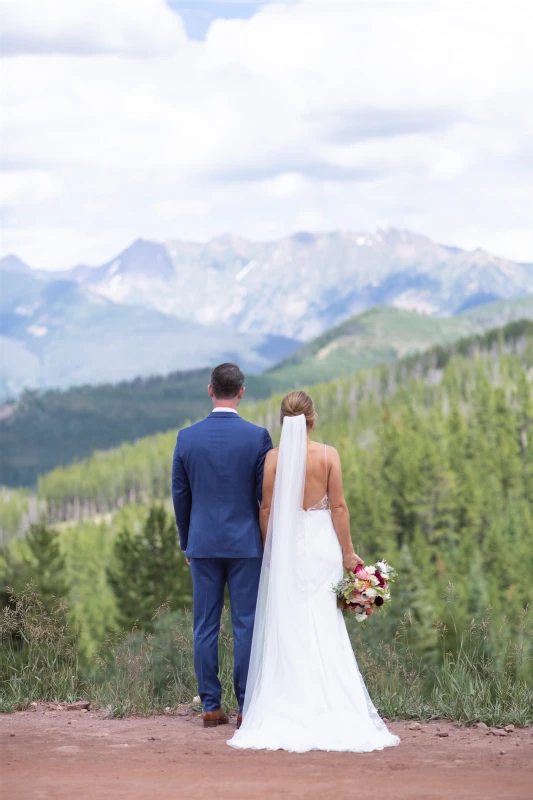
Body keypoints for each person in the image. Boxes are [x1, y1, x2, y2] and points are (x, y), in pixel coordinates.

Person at [228, 390, 400, 753]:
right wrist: (348, 552)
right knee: (323, 620)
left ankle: (288, 701)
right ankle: (332, 703)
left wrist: (271, 550)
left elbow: (267, 509)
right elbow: (338, 506)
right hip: (322, 546)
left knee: (289, 618)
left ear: (282, 422)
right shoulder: (327, 455)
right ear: (312, 419)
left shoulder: (274, 459)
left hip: (288, 546)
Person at [172, 362, 273, 728]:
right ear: (241, 391)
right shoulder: (258, 437)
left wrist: (188, 541)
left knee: (205, 626)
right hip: (247, 544)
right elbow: (266, 498)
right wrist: (266, 541)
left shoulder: (186, 438)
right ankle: (246, 706)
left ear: (210, 389)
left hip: (202, 544)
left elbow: (180, 497)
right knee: (246, 624)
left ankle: (211, 706)